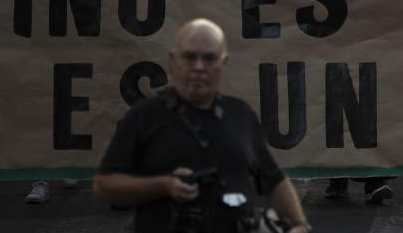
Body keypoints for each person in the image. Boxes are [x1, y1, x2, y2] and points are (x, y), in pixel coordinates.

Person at [93, 19, 310, 233]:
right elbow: (104, 186)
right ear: (173, 60)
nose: (199, 67)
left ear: (223, 62)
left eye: (209, 58)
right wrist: (164, 185)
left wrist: (300, 225)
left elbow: (275, 180)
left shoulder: (240, 114)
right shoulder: (145, 115)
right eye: (189, 57)